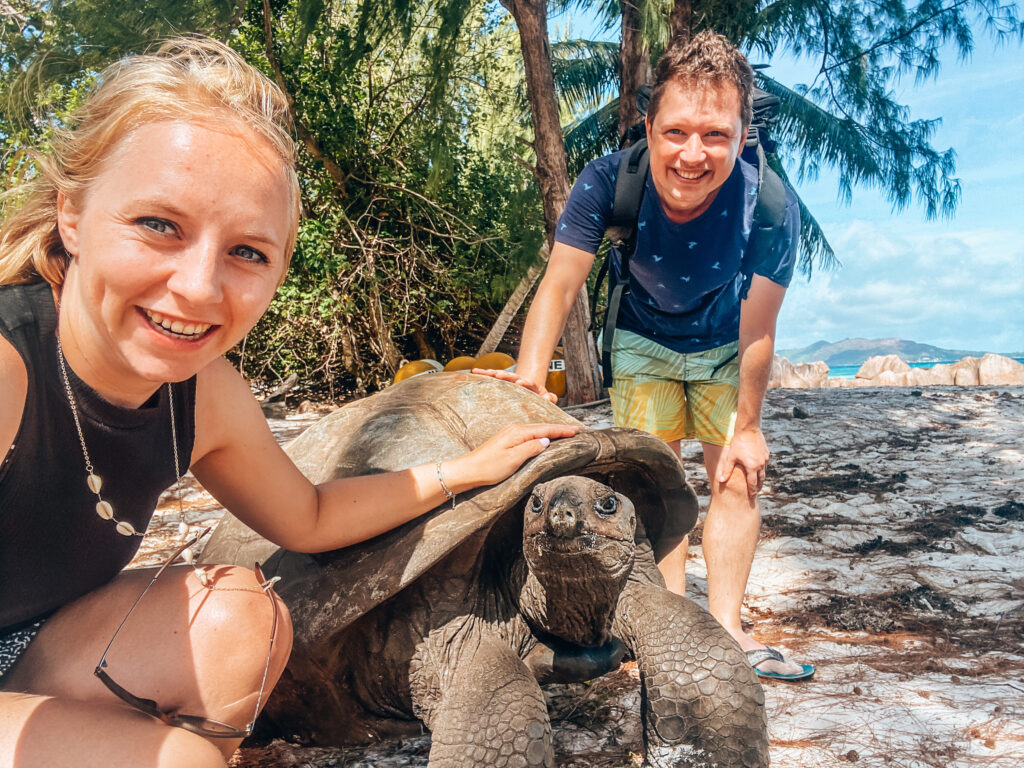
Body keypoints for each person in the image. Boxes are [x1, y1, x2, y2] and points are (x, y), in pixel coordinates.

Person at [0, 37, 578, 767]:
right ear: (72, 216)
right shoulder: (10, 366)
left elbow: (307, 517)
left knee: (245, 618)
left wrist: (464, 472)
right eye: (159, 225)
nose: (200, 288)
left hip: (33, 645)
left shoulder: (201, 395)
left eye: (247, 252)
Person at [476, 31, 812, 681]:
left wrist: (747, 429)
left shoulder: (768, 204)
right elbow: (562, 281)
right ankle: (665, 629)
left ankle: (725, 630)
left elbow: (761, 325)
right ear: (649, 126)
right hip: (642, 341)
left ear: (743, 136)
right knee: (659, 488)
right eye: (676, 132)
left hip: (723, 343)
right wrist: (527, 374)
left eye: (715, 134)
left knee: (735, 477)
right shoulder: (610, 179)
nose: (692, 154)